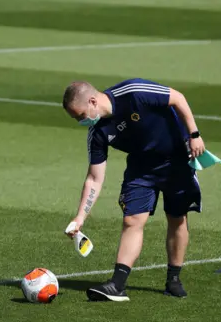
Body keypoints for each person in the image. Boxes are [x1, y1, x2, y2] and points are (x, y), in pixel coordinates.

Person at [62, 78, 206, 302]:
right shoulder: (98, 133)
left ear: (92, 101)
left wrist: (194, 135)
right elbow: (94, 178)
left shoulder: (133, 92)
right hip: (141, 169)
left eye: (80, 116)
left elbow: (177, 98)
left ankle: (173, 279)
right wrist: (80, 217)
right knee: (132, 220)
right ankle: (117, 285)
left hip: (176, 160)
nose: (81, 121)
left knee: (177, 217)